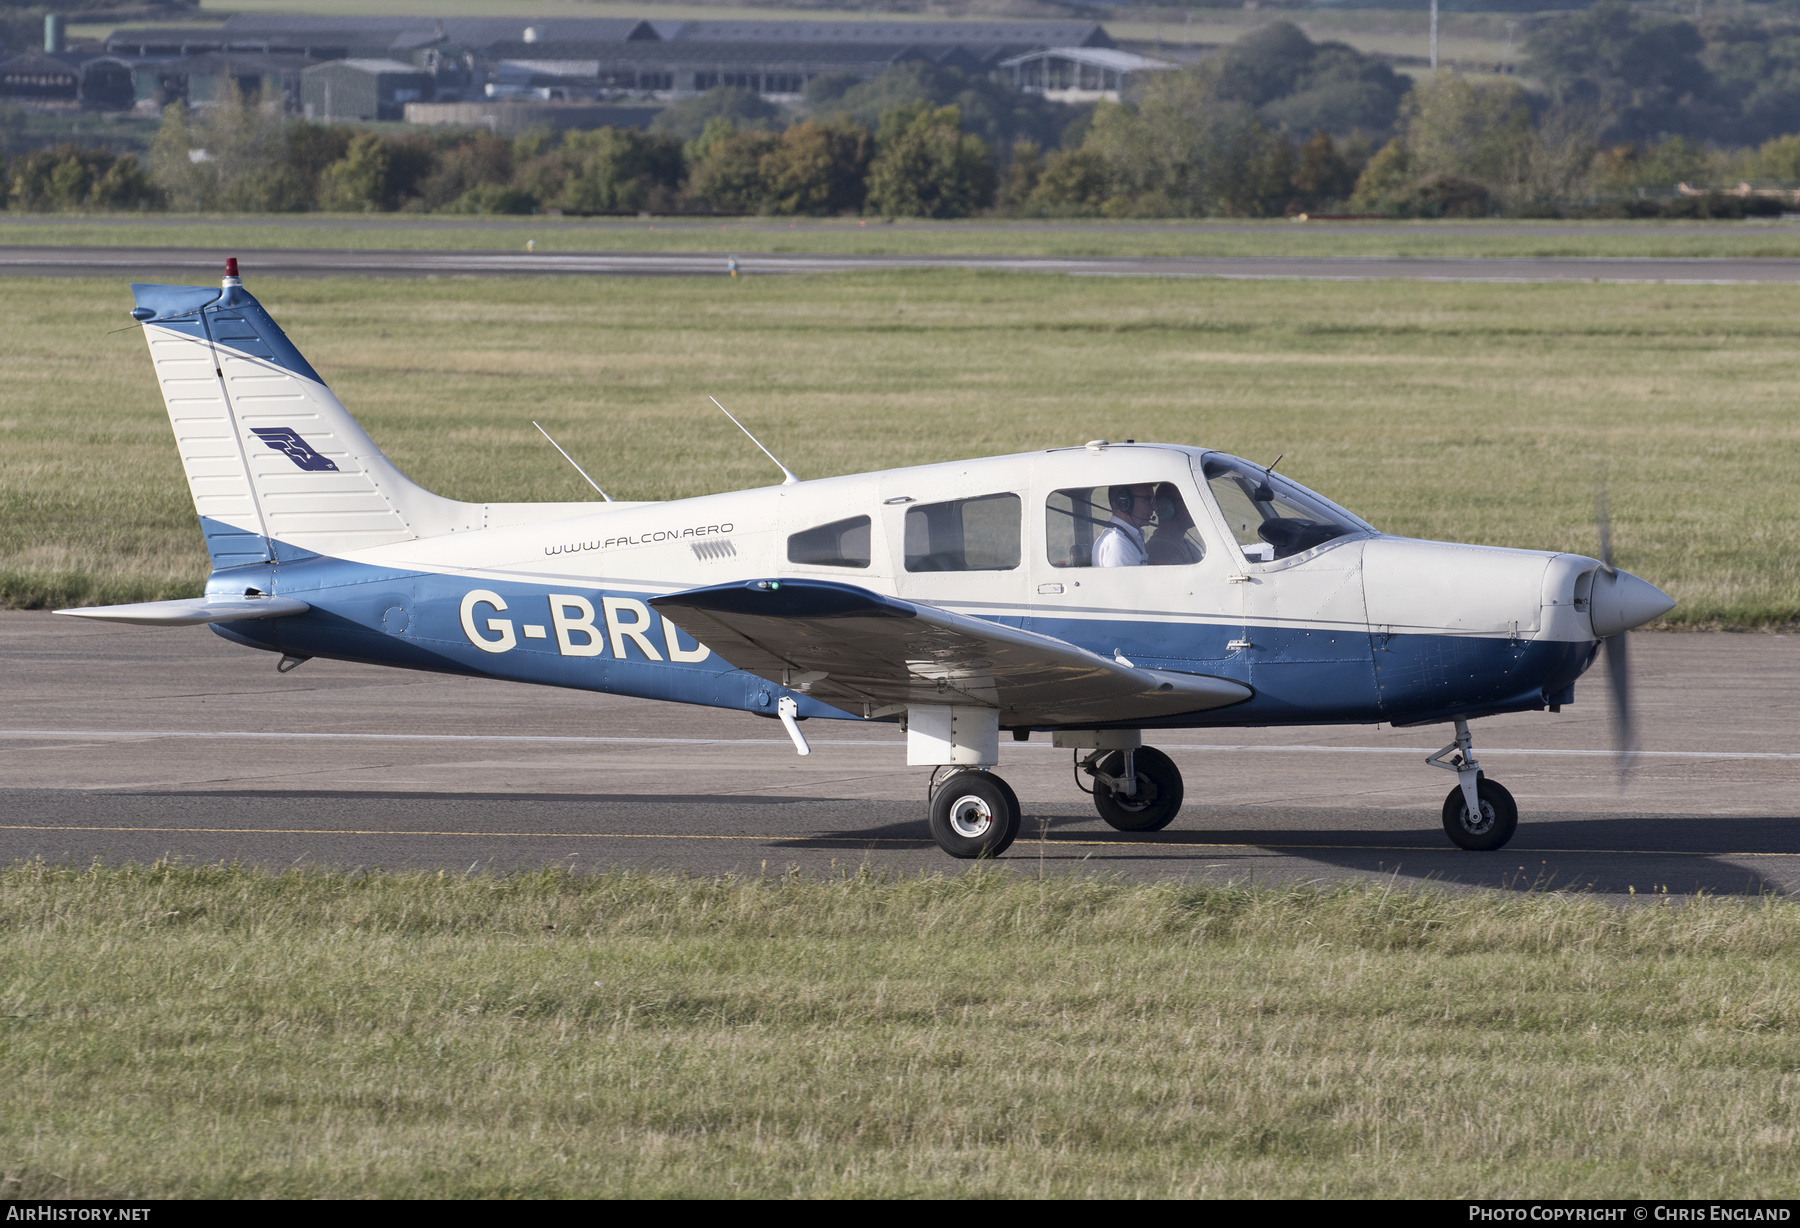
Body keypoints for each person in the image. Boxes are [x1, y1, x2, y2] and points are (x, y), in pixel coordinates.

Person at [1094, 484, 1155, 567]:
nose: (1153, 507)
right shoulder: (1118, 545)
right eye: (1148, 500)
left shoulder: (1131, 538)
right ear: (1125, 502)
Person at [1145, 483, 1205, 566]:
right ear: (1166, 507)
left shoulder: (1183, 543)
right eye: (1186, 501)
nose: (1193, 506)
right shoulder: (1161, 550)